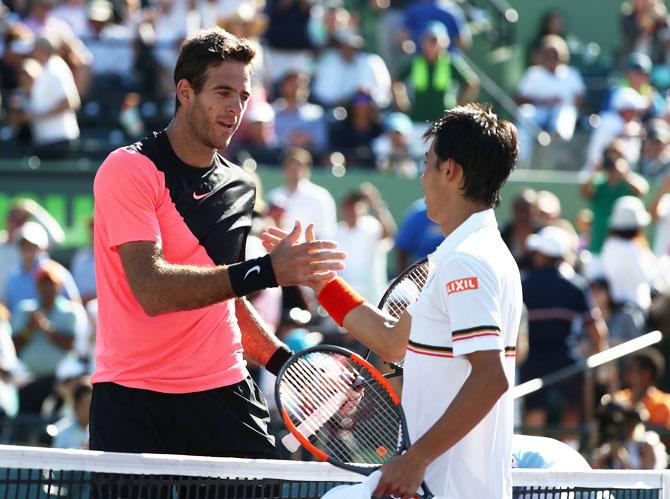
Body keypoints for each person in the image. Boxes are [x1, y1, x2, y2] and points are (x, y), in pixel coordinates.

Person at [89, 28, 345, 458]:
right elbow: (151, 289)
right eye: (223, 92)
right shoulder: (128, 169)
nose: (236, 108)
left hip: (222, 389)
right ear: (185, 92)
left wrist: (284, 364)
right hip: (133, 398)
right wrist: (266, 270)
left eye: (243, 96)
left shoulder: (241, 185)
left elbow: (221, 296)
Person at [263, 103, 522, 498]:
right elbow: (390, 339)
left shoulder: (468, 259)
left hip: (445, 488)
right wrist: (320, 281)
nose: (421, 178)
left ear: (450, 171)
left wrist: (416, 459)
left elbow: (490, 378)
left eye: (427, 165)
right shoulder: (464, 254)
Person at [520, 226, 608, 435]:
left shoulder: (524, 284)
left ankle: (534, 462)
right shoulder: (576, 285)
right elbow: (595, 328)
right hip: (565, 360)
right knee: (575, 405)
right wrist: (602, 360)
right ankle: (571, 449)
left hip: (532, 360)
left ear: (542, 255)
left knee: (534, 408)